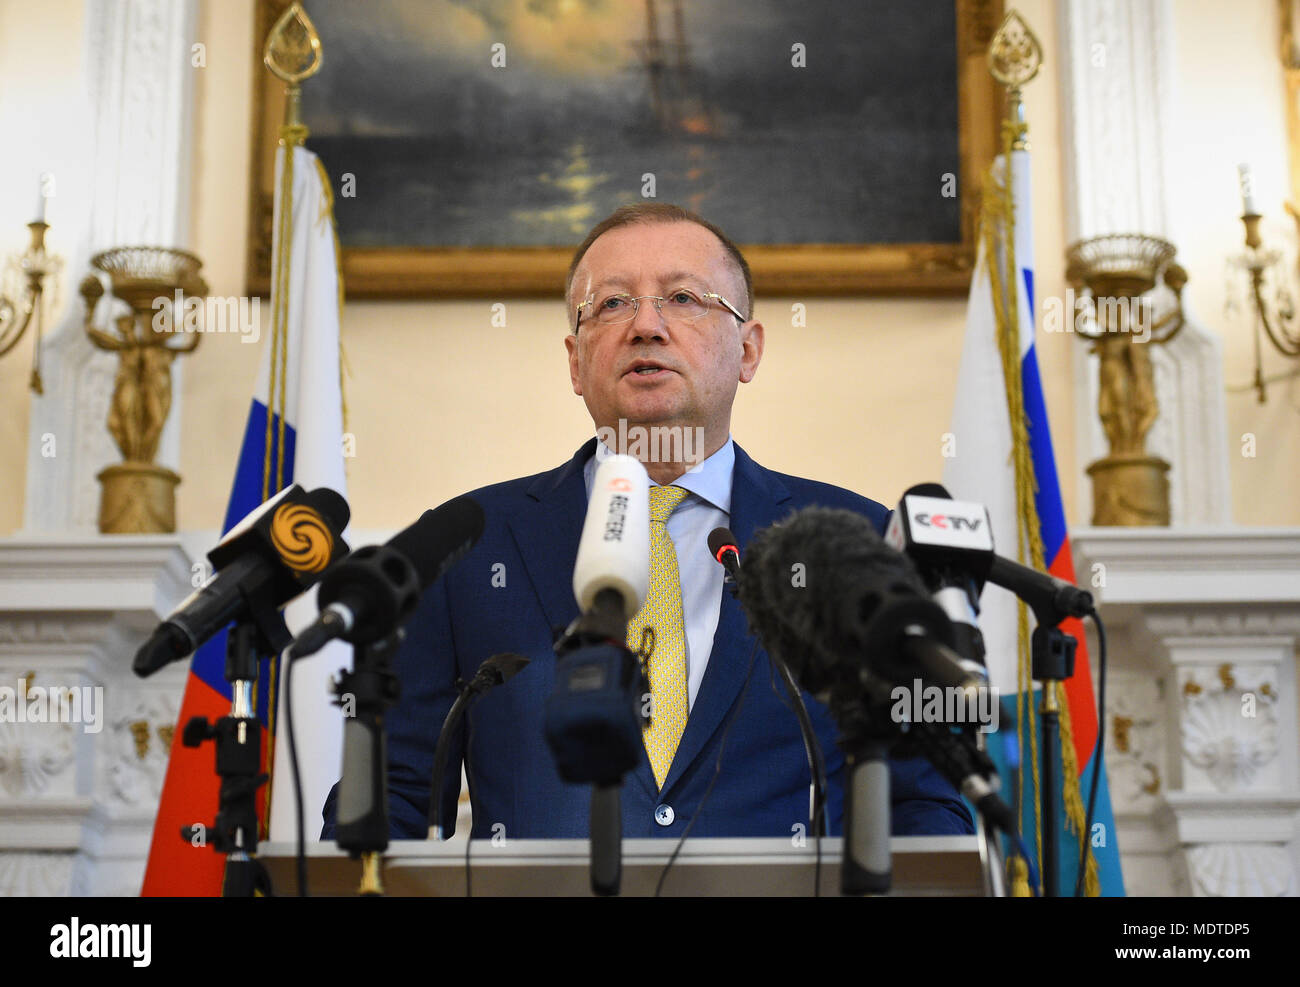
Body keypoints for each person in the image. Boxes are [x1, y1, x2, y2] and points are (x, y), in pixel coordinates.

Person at [322, 203, 972, 841]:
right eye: (611, 304)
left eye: (685, 298)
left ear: (748, 349)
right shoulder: (467, 544)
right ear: (576, 362)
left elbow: (922, 804)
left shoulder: (857, 542)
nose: (646, 325)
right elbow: (391, 800)